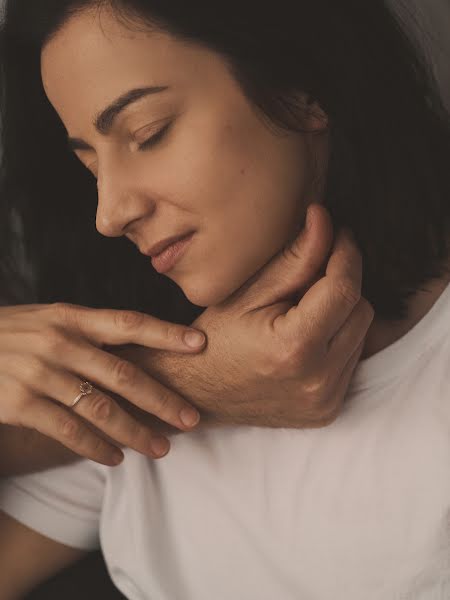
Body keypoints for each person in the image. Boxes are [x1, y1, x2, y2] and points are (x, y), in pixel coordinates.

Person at [0, 0, 450, 598]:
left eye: (148, 134)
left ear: (301, 87)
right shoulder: (129, 378)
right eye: (88, 164)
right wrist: (192, 384)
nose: (109, 213)